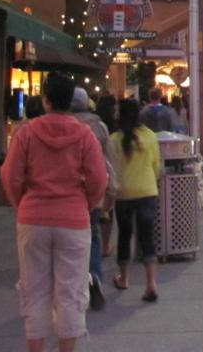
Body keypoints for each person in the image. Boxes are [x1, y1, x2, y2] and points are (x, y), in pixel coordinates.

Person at [0, 72, 108, 352]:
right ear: (70, 101)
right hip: (72, 219)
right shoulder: (84, 134)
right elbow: (98, 179)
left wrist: (21, 203)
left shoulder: (25, 133)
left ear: (45, 100)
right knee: (70, 292)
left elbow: (10, 176)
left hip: (32, 218)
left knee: (34, 291)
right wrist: (85, 205)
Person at [71, 88, 118, 311]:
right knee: (93, 236)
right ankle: (94, 276)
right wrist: (110, 191)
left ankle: (72, 286)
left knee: (68, 244)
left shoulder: (55, 126)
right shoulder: (99, 127)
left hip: (63, 196)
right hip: (91, 192)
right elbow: (105, 164)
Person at [110, 98, 162, 302]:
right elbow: (156, 165)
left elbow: (111, 168)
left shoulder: (114, 139)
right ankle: (151, 284)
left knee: (124, 236)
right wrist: (152, 181)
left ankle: (124, 278)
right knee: (147, 238)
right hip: (148, 190)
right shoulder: (149, 136)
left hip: (123, 193)